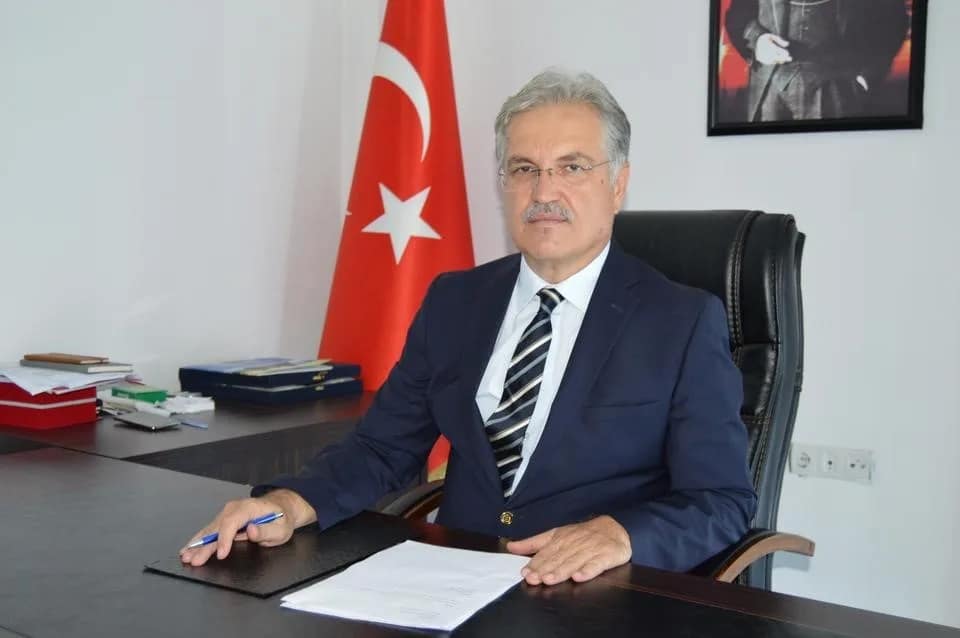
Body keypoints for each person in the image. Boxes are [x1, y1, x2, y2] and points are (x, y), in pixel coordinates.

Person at [181, 69, 756, 586]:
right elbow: (383, 447)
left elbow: (721, 499)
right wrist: (290, 502)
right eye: (524, 169)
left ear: (619, 183)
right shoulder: (456, 301)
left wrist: (621, 534)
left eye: (572, 167)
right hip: (452, 581)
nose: (544, 192)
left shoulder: (681, 321)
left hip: (592, 596)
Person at [725, 0, 909, 122]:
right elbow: (739, 15)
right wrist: (757, 40)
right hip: (767, 96)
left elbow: (893, 20)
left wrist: (868, 76)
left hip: (838, 96)